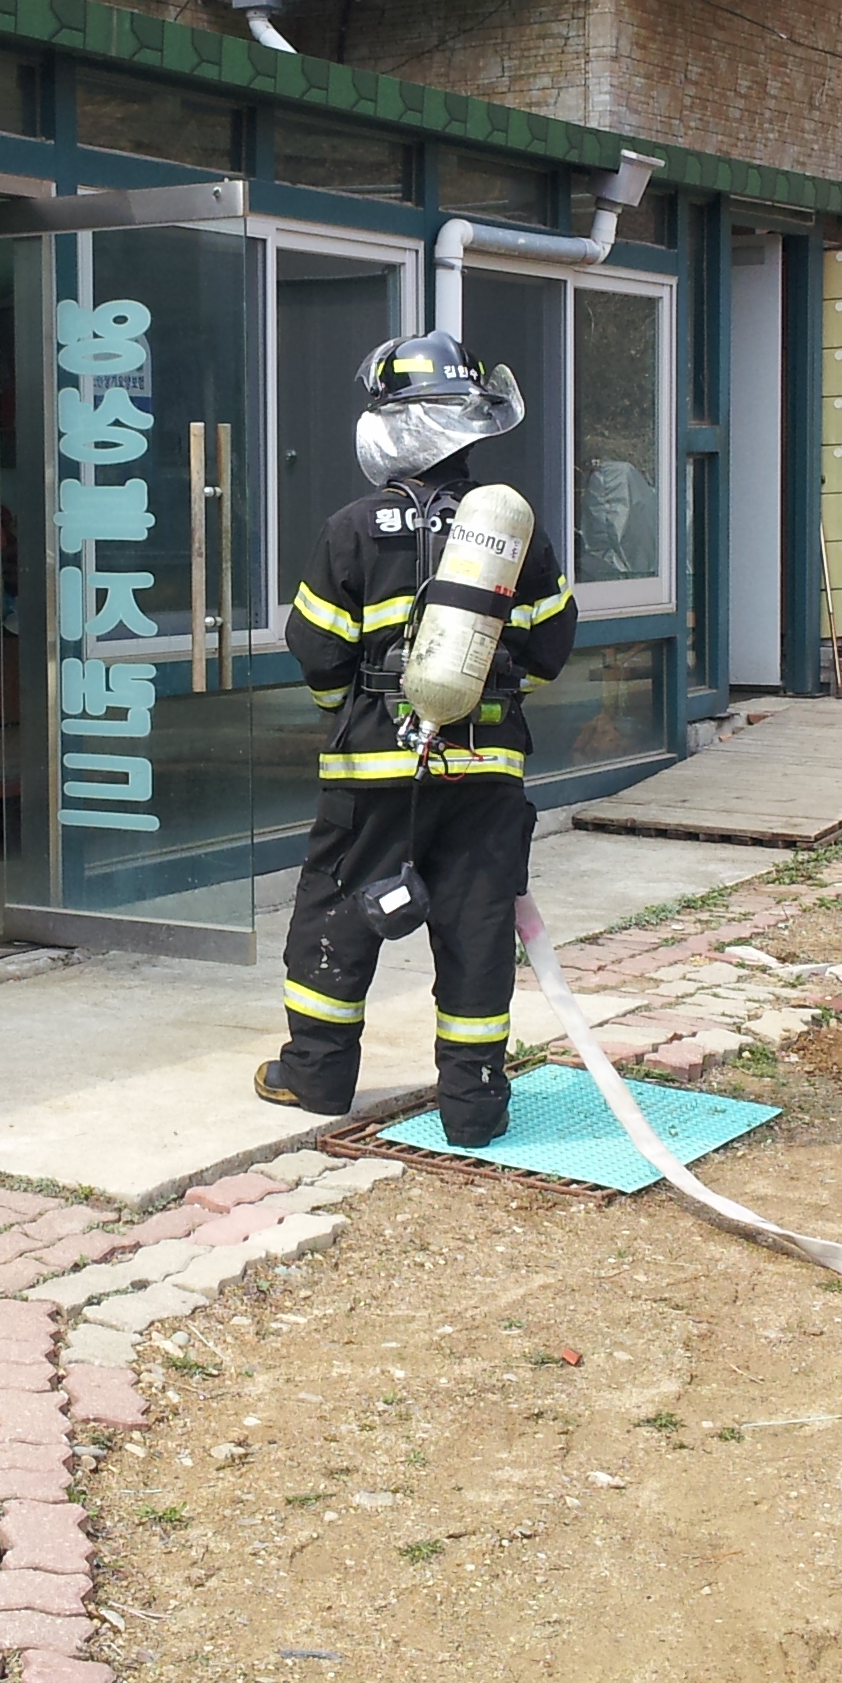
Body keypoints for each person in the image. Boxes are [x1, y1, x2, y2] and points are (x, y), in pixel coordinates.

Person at [257, 331, 577, 1147]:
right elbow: (548, 648)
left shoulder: (352, 527)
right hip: (485, 769)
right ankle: (474, 1104)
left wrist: (351, 711)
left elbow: (319, 652)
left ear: (393, 427)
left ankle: (316, 1076)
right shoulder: (513, 533)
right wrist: (490, 705)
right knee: (477, 927)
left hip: (373, 767)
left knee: (336, 912)